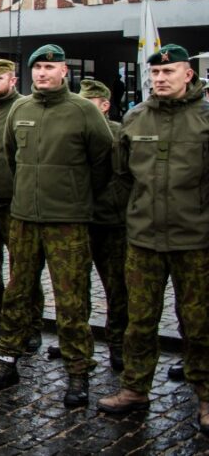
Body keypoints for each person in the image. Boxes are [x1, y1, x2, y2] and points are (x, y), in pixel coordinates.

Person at [0, 44, 113, 407]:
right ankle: (7, 359)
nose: (42, 73)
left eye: (49, 67)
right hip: (24, 217)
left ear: (64, 71)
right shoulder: (21, 109)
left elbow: (103, 161)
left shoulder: (84, 111)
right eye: (37, 67)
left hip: (67, 221)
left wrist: (76, 196)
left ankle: (78, 372)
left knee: (71, 299)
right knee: (18, 292)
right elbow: (12, 156)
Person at [97, 45, 209, 436]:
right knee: (139, 320)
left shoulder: (205, 118)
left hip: (195, 240)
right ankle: (134, 388)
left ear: (188, 75)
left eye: (168, 72)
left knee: (199, 322)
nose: (160, 79)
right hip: (143, 239)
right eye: (155, 74)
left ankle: (206, 394)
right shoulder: (135, 117)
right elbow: (123, 176)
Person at [47, 79, 128, 370]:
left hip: (112, 223)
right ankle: (75, 341)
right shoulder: (73, 130)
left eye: (89, 103)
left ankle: (118, 343)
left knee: (118, 288)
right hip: (78, 220)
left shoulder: (120, 134)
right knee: (75, 287)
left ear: (104, 105)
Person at [0, 58, 45, 350]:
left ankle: (30, 324)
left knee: (24, 269)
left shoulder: (25, 108)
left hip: (16, 204)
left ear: (13, 80)